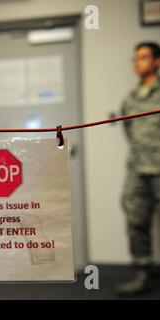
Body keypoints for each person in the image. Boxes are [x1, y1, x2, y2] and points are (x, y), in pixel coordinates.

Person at [116, 42, 160, 296]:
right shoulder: (130, 99)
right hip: (138, 170)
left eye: (143, 57)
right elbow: (129, 132)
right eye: (135, 58)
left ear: (156, 61)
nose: (137, 62)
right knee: (136, 220)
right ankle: (144, 273)